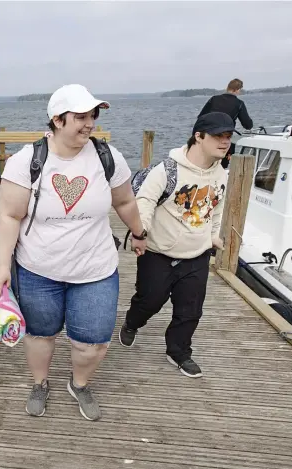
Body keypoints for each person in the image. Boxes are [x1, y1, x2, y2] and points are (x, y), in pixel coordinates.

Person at [0, 84, 147, 421]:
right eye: (80, 116)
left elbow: (124, 201)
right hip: (37, 269)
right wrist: (3, 265)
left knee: (93, 342)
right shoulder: (26, 162)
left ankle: (79, 384)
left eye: (93, 115)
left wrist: (139, 232)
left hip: (96, 269)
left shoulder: (108, 158)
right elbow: (9, 215)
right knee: (40, 334)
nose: (89, 123)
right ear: (57, 120)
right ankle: (40, 382)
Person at [119, 111, 232, 378]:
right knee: (150, 300)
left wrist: (214, 235)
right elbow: (144, 201)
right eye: (218, 136)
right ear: (199, 136)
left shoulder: (221, 175)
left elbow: (217, 208)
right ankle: (132, 321)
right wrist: (140, 231)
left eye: (228, 136)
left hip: (197, 254)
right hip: (158, 253)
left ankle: (179, 352)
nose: (225, 142)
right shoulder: (167, 170)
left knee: (190, 309)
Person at [198, 78, 254, 168]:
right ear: (237, 89)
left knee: (206, 164)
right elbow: (247, 125)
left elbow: (201, 117)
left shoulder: (214, 99)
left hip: (209, 136)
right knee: (222, 166)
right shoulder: (239, 103)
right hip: (225, 139)